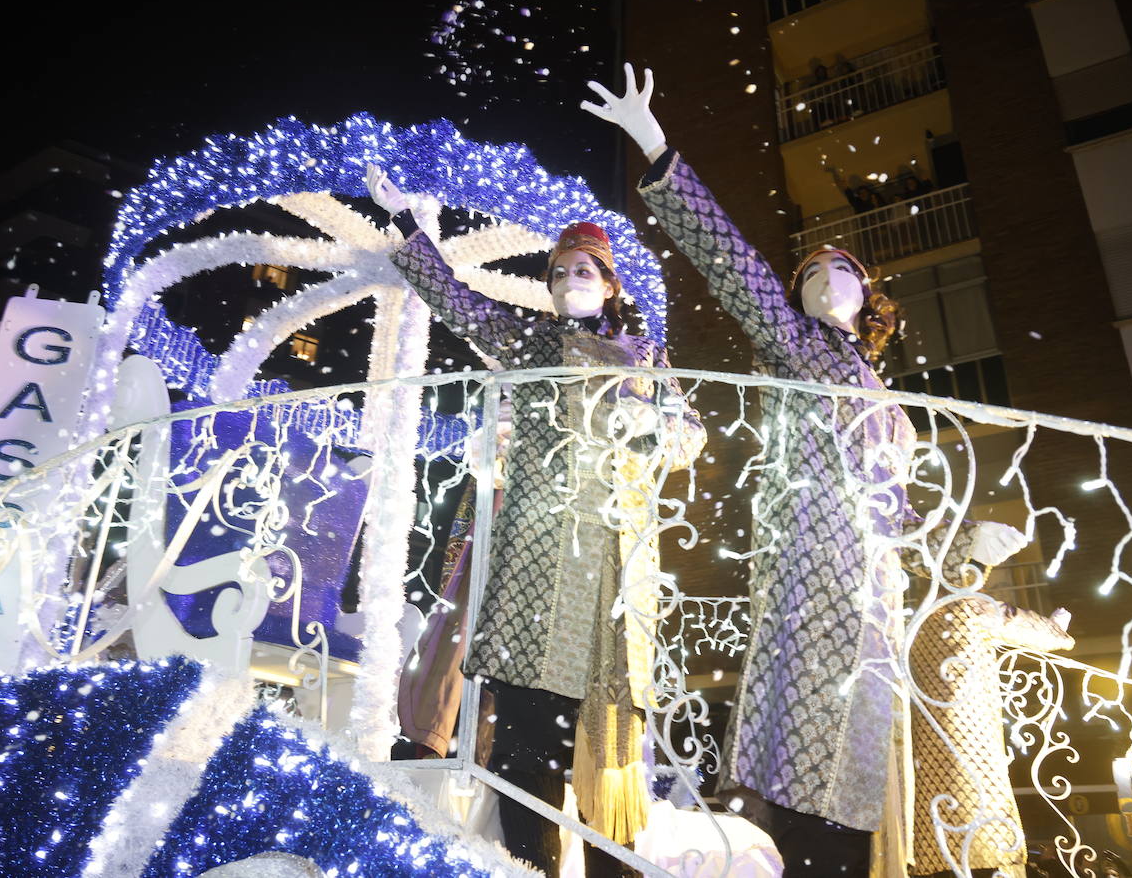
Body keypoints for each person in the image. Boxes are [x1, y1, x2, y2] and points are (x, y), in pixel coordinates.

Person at [583, 63, 1030, 877]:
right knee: (798, 729)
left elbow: (902, 504)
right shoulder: (794, 346)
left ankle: (851, 853)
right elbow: (730, 262)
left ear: (869, 296)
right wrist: (654, 145)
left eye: (844, 272)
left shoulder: (884, 394)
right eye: (812, 274)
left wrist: (960, 551)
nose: (828, 280)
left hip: (874, 581)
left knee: (865, 739)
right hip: (807, 562)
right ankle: (789, 842)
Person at [366, 163, 705, 877]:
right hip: (534, 570)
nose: (570, 280)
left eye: (585, 270)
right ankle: (534, 869)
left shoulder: (648, 357)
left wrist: (650, 423)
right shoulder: (527, 341)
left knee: (609, 756)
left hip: (612, 576)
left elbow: (690, 439)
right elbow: (454, 300)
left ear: (611, 284)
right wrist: (407, 229)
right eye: (558, 273)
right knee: (527, 752)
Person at [908, 602, 1074, 878]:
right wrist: (1057, 630)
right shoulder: (968, 605)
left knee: (936, 828)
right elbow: (1016, 622)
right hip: (969, 734)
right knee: (984, 821)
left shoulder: (913, 620)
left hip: (923, 752)